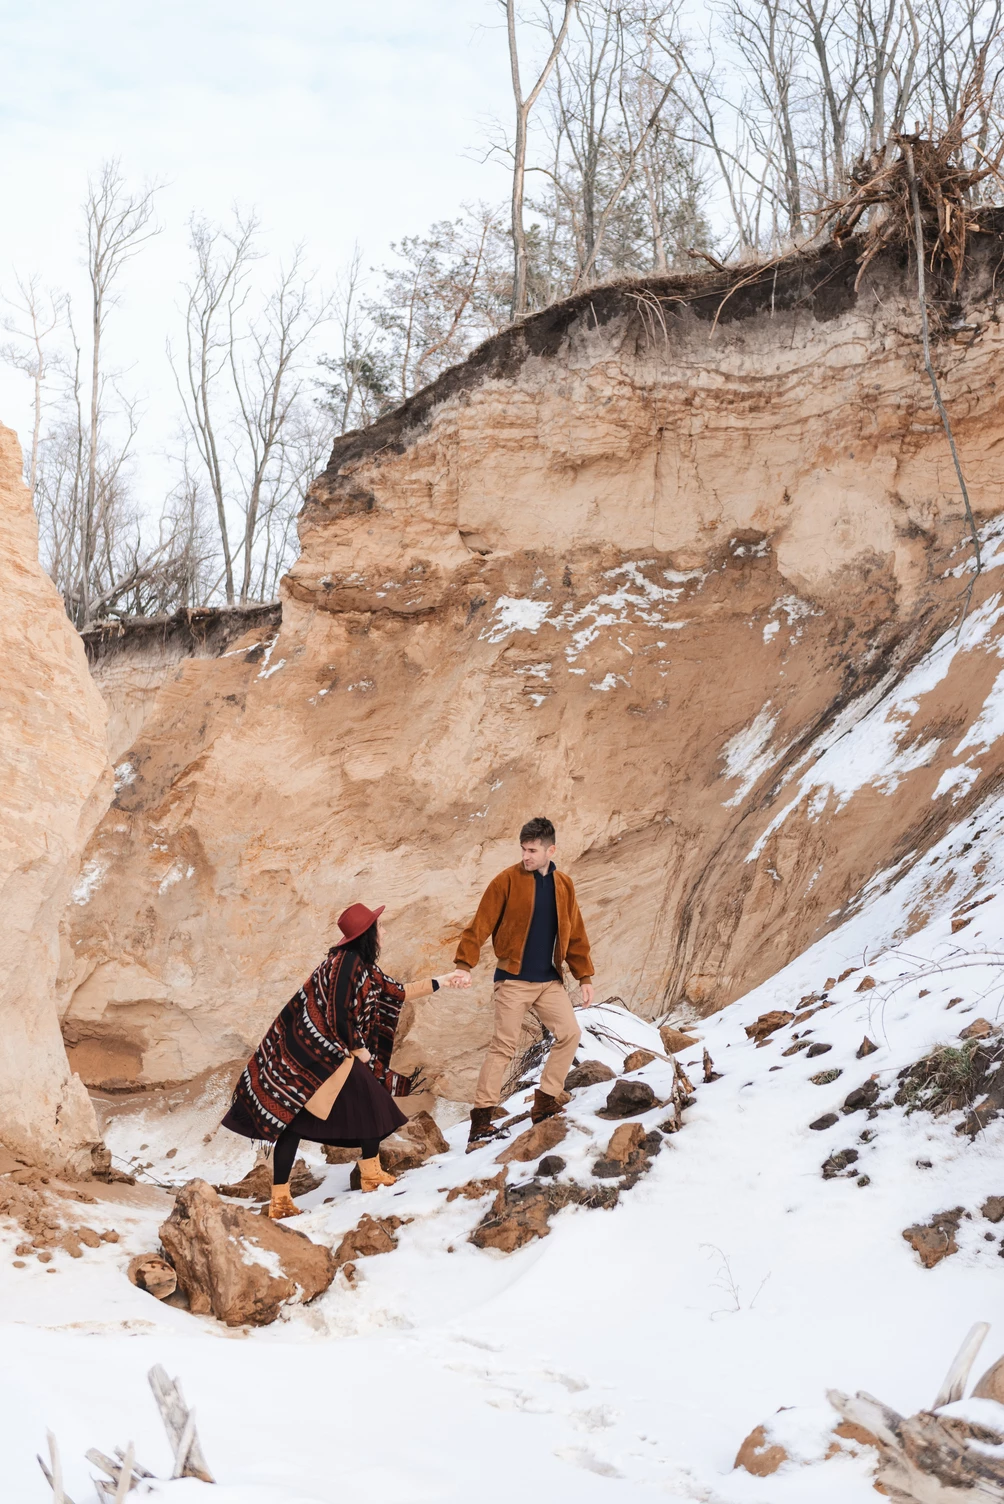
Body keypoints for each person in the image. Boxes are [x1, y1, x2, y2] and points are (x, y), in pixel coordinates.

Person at [222, 902, 466, 1219]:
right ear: (367, 934)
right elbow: (337, 1013)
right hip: (317, 1057)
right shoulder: (344, 963)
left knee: (337, 1111)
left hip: (332, 1056)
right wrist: (359, 1048)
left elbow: (398, 991)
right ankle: (295, 1195)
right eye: (379, 926)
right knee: (338, 1110)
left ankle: (364, 1174)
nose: (384, 930)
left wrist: (443, 980)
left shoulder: (361, 966)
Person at [452, 817, 596, 1148]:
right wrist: (464, 964)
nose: (526, 856)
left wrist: (584, 976)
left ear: (551, 850)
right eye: (523, 849)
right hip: (513, 980)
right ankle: (481, 1120)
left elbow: (576, 934)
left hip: (548, 981)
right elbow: (480, 924)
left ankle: (545, 1100)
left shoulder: (564, 885)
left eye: (532, 850)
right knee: (503, 1045)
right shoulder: (506, 881)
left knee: (570, 1033)